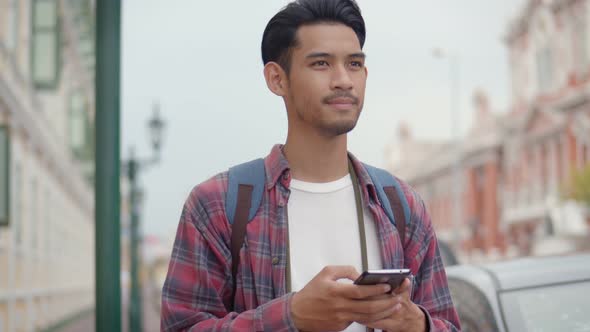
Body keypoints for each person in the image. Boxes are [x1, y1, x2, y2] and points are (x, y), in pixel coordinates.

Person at [160, 0, 461, 331]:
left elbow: (448, 323)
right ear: (277, 79)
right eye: (321, 63)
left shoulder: (401, 205)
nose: (343, 80)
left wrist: (416, 324)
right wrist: (292, 317)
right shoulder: (218, 205)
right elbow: (182, 327)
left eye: (354, 64)